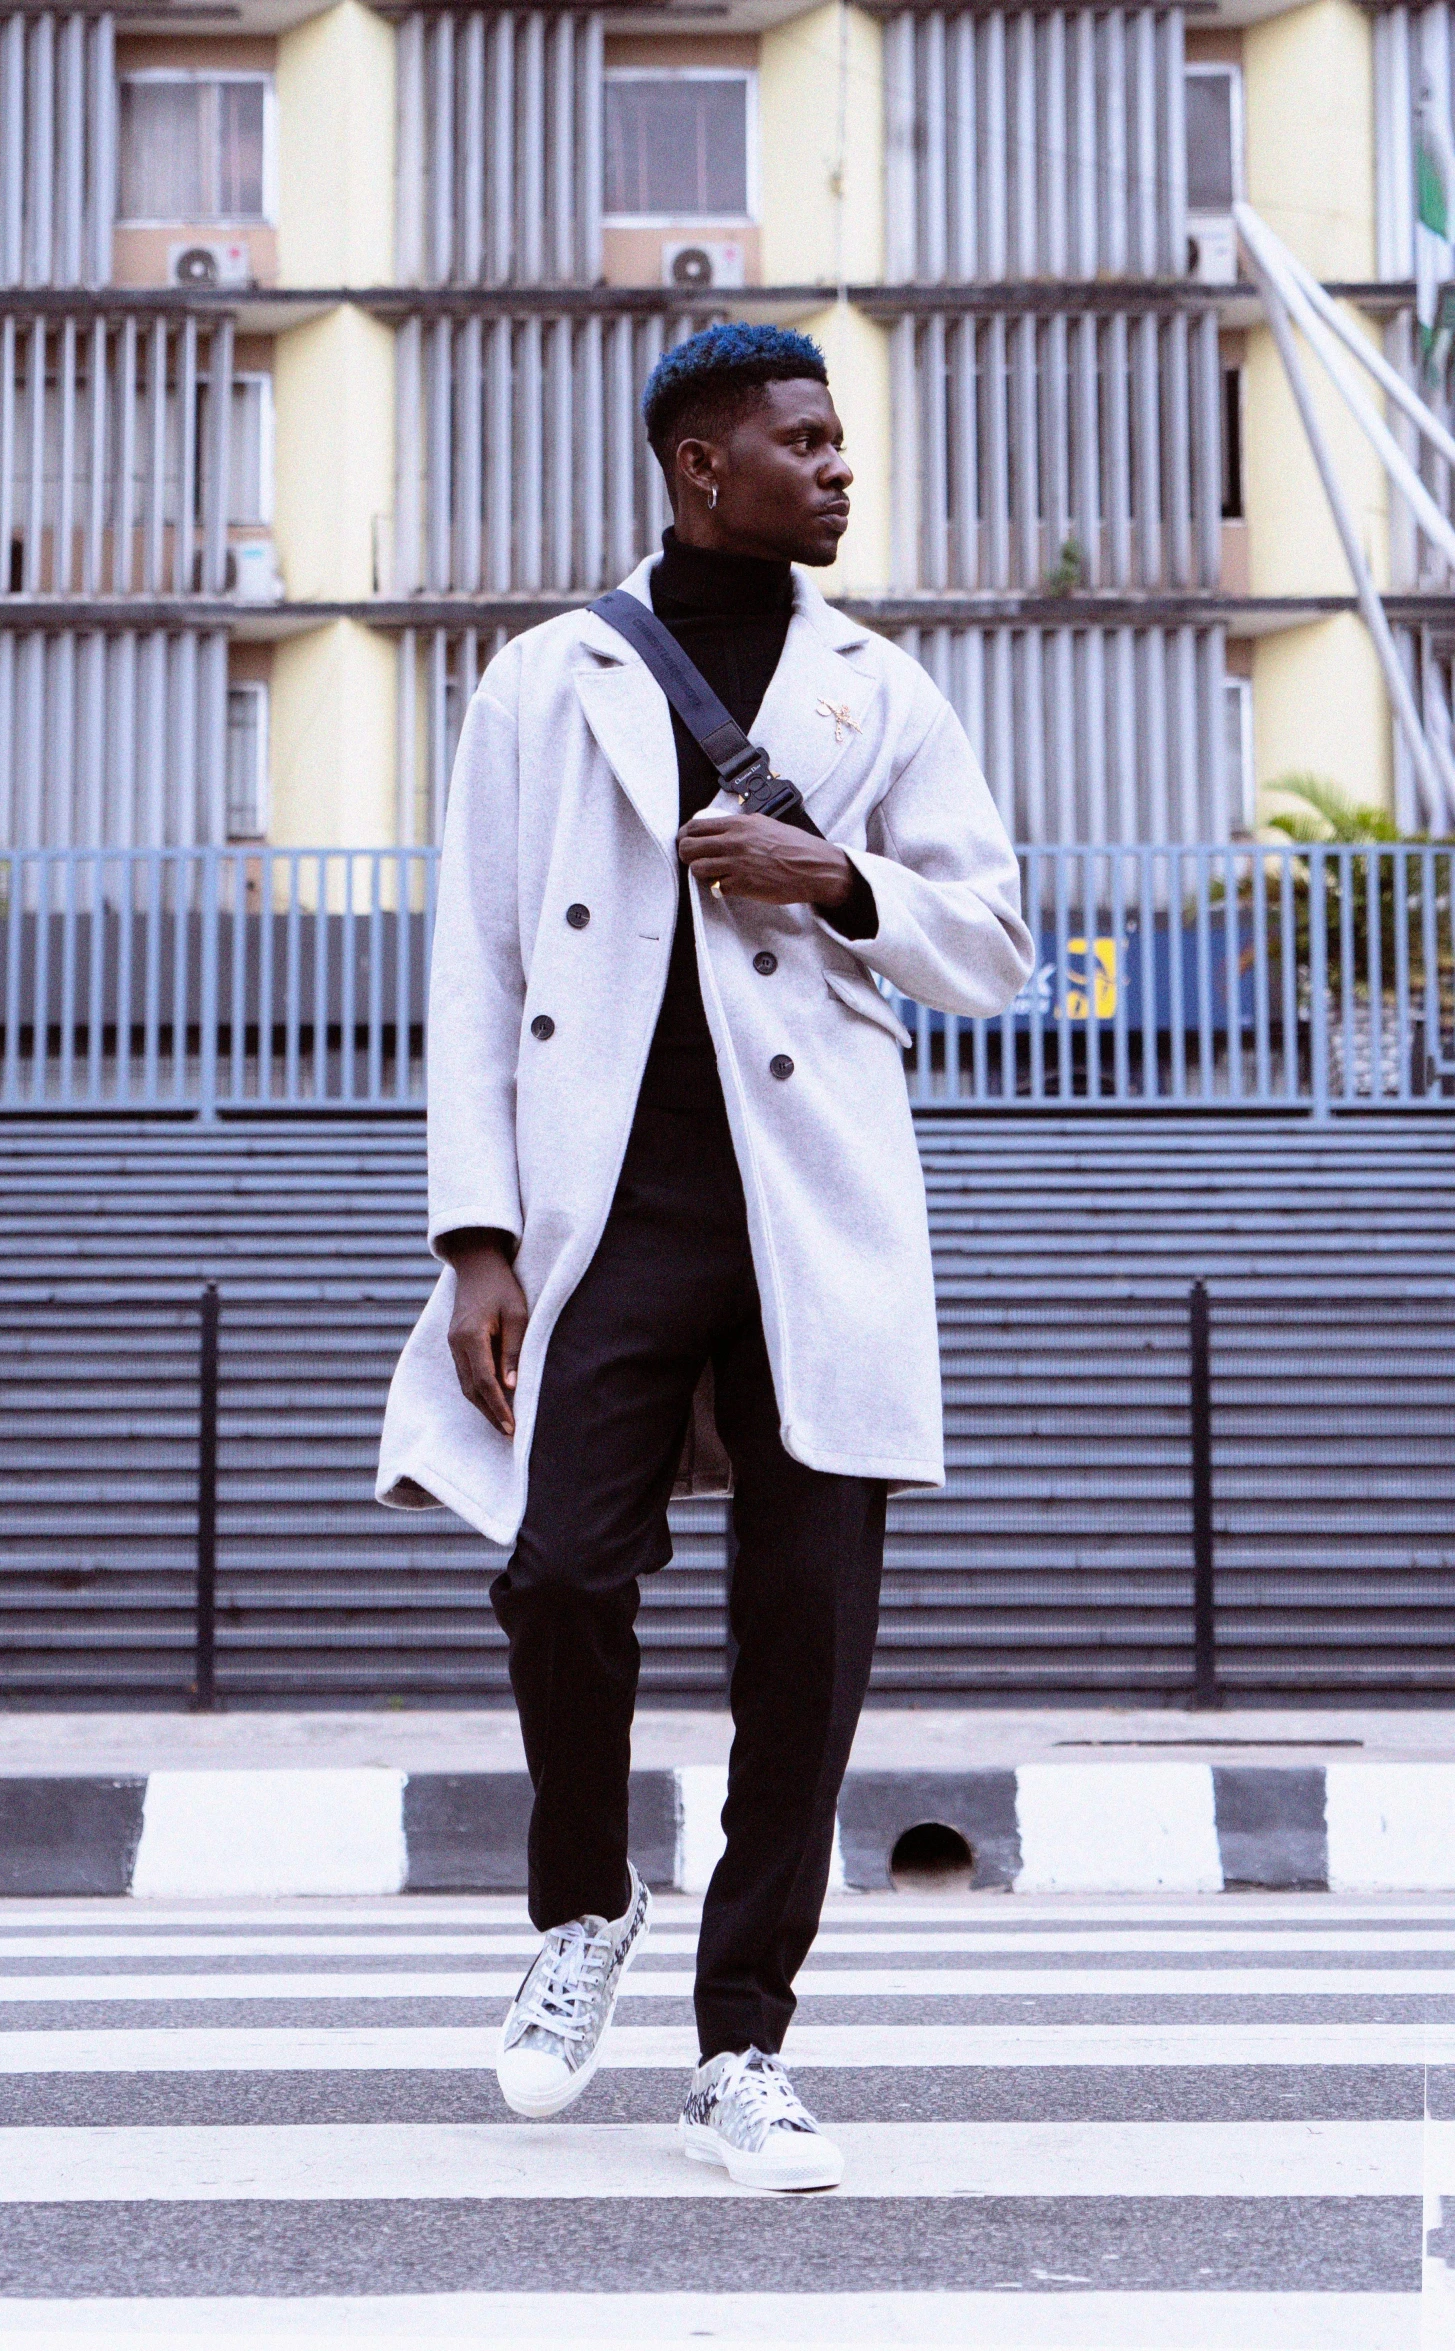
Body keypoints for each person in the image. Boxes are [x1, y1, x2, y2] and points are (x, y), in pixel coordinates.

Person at [378, 323, 1032, 2192]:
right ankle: (583, 1908)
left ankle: (744, 2041)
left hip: (810, 1209)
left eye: (840, 440)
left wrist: (834, 879)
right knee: (556, 1574)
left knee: (803, 1640)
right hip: (610, 1210)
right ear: (698, 463)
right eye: (802, 440)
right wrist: (478, 1237)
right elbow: (475, 970)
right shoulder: (541, 678)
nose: (838, 468)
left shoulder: (875, 686)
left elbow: (989, 942)